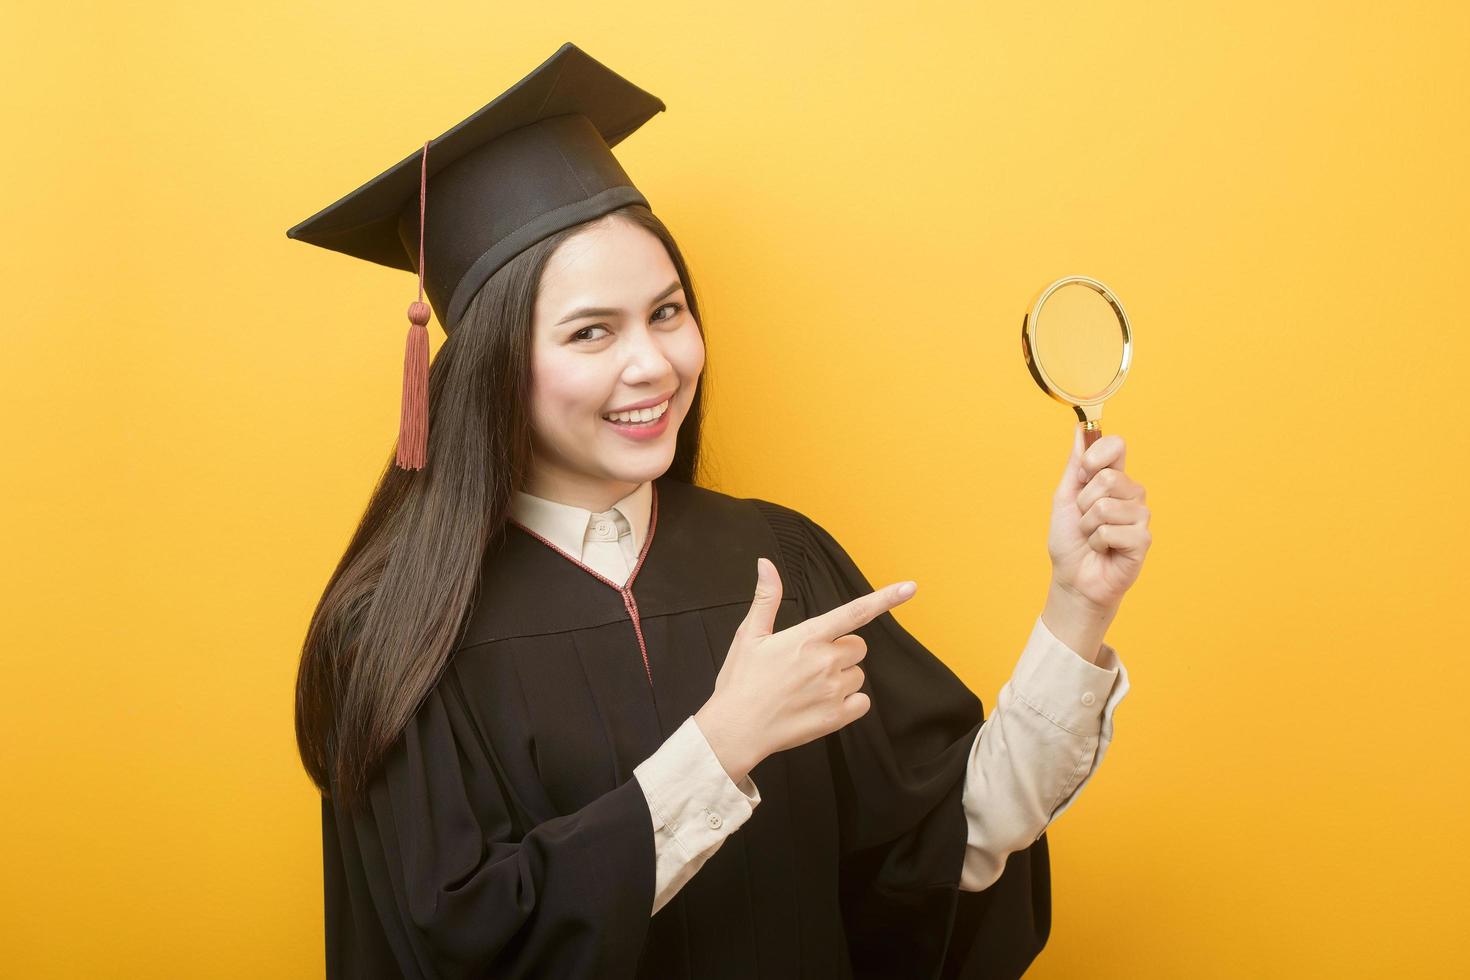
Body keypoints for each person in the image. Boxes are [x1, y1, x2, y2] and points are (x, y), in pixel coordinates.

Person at [288, 42, 1147, 980]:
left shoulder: (775, 561)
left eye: (667, 312)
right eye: (591, 332)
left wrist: (1077, 605)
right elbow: (460, 954)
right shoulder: (402, 636)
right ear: (493, 364)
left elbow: (948, 849)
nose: (654, 364)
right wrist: (720, 745)